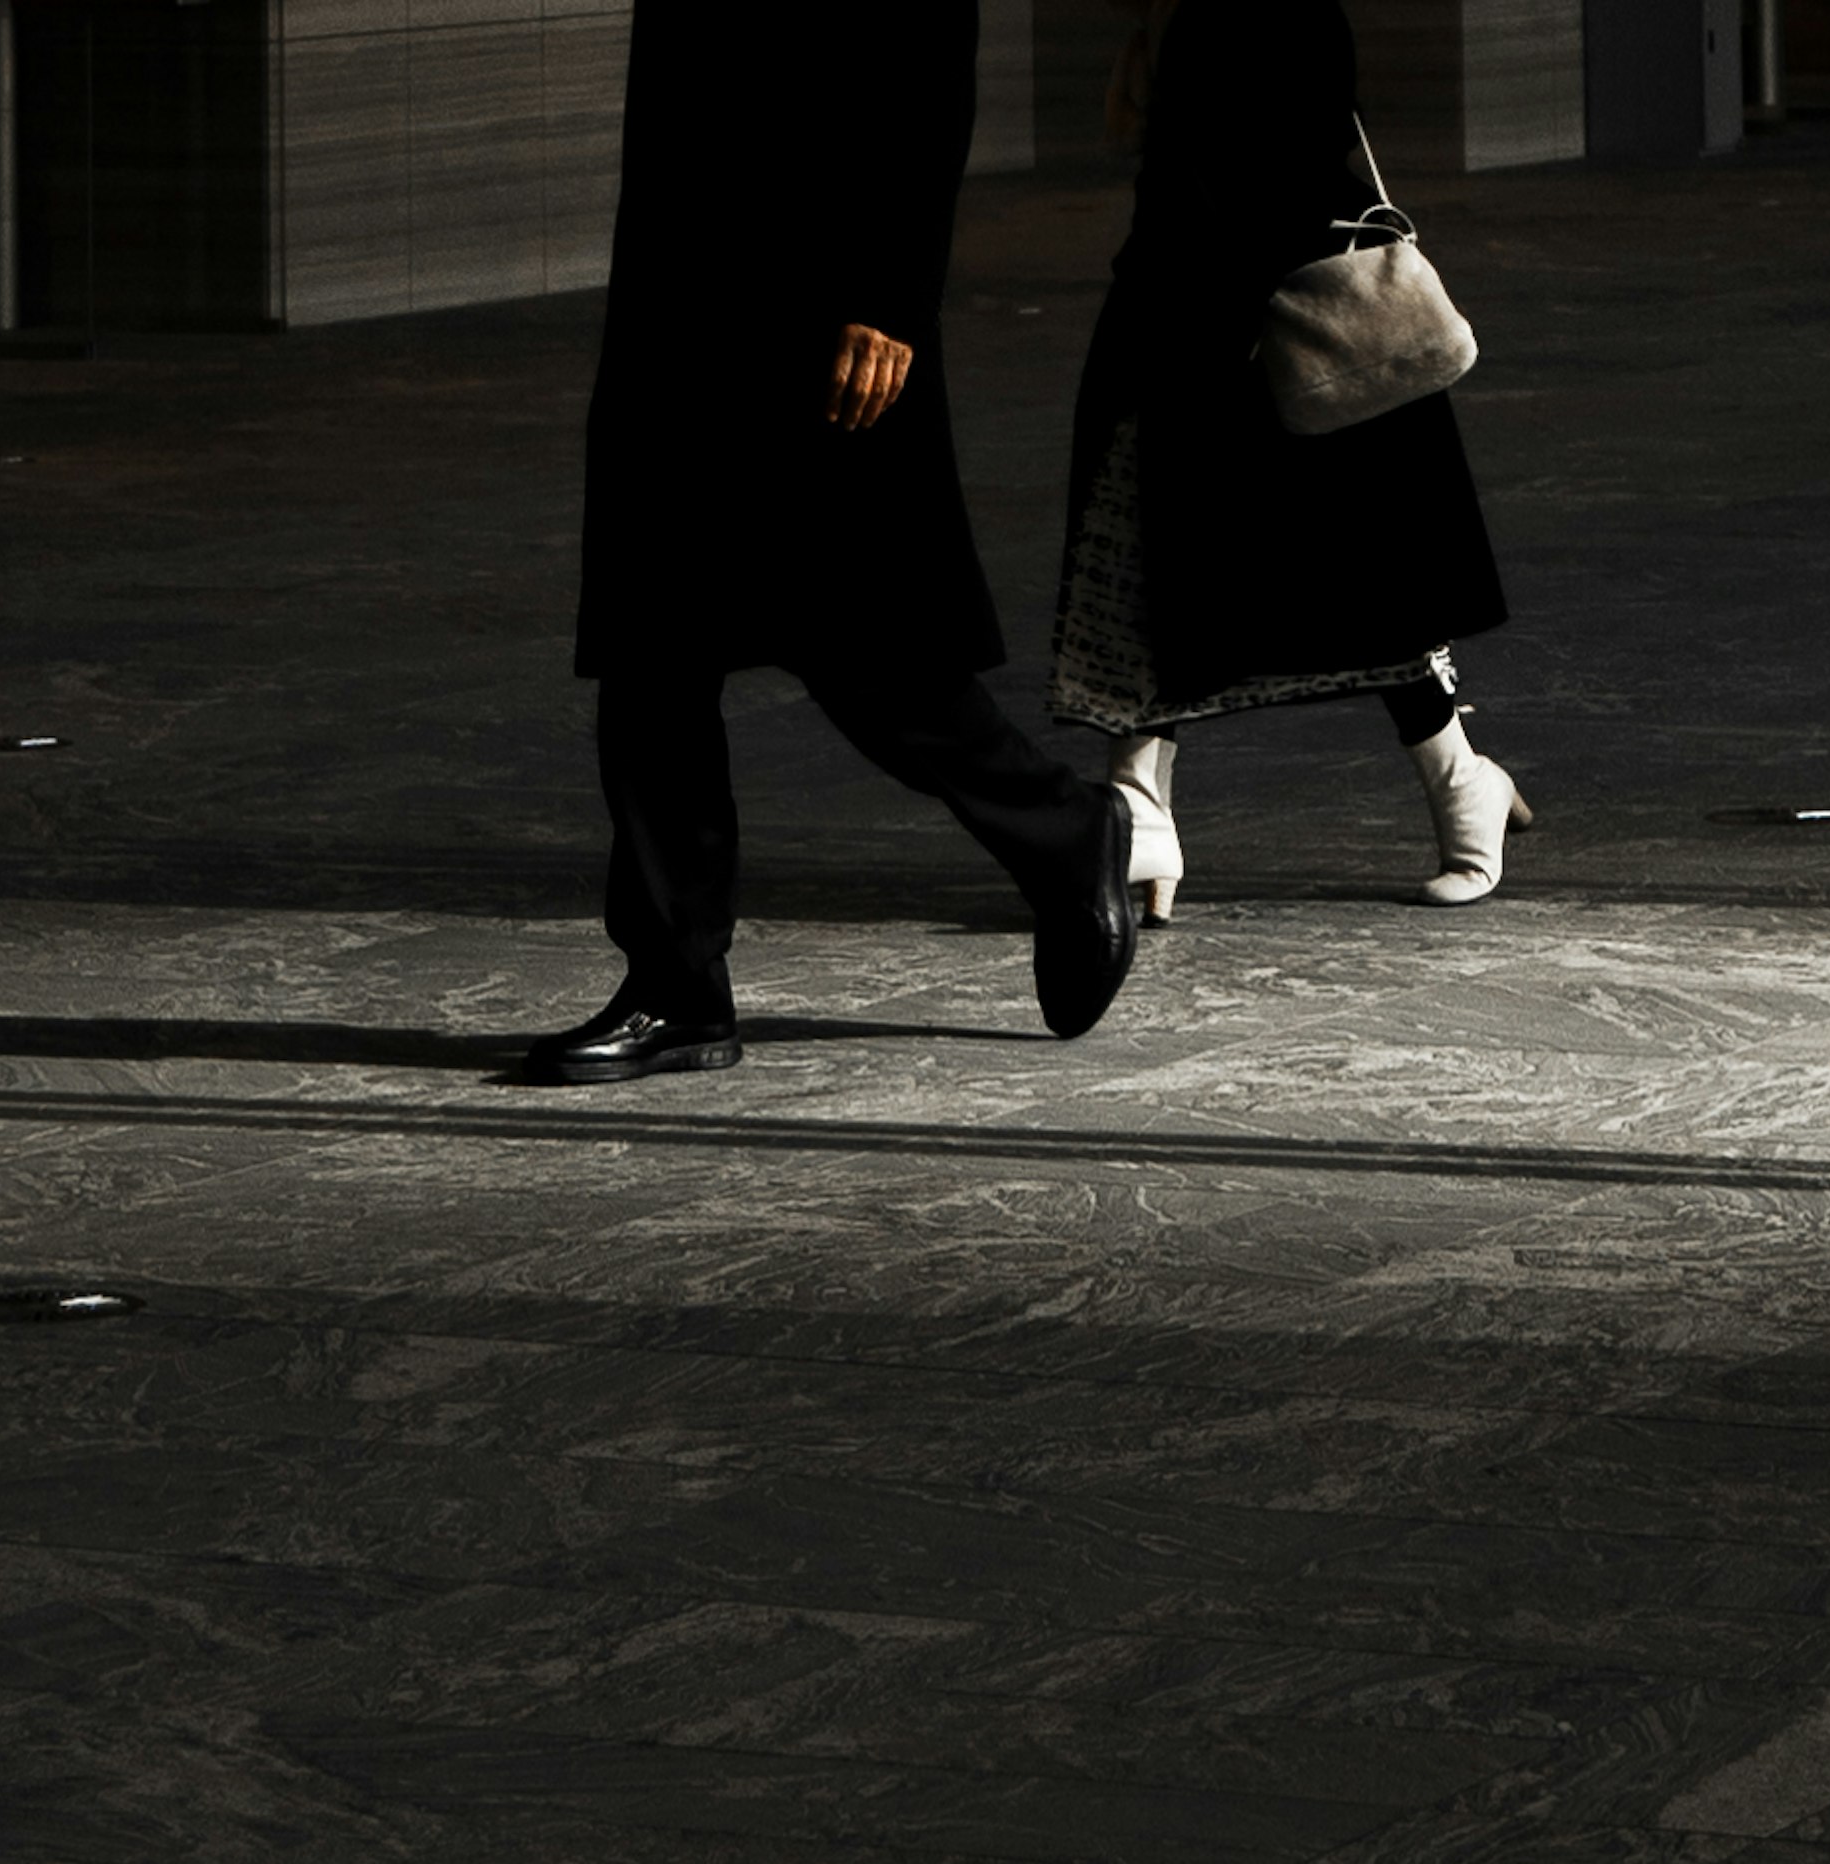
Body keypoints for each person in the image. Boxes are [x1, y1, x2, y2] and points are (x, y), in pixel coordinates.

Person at [531, 0, 1137, 1085]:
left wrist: (891, 292)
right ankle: (676, 984)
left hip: (822, 301)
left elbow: (927, 60)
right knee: (650, 638)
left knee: (872, 651)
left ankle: (1065, 833)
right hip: (679, 282)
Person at [1053, 0, 1525, 921]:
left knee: (1354, 574)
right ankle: (1141, 803)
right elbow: (1149, 141)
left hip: (1288, 312)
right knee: (1158, 564)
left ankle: (1463, 777)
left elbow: (1292, 150)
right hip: (1183, 308)